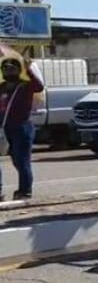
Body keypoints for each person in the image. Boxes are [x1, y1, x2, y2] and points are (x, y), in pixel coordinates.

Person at [0, 55, 44, 200]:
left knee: (21, 160)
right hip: (5, 127)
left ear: (19, 70)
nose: (8, 71)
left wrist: (28, 68)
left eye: (12, 68)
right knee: (14, 159)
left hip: (22, 127)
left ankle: (24, 191)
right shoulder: (2, 87)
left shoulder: (25, 85)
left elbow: (39, 86)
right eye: (5, 68)